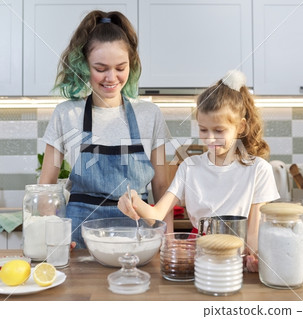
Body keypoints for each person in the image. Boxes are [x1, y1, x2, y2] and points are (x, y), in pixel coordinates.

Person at [118, 70, 280, 272]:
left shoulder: (259, 170)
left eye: (219, 131)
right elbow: (157, 215)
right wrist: (133, 199)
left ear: (240, 127)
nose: (210, 139)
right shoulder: (189, 167)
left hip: (237, 259)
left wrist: (255, 258)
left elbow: (254, 231)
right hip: (200, 256)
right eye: (203, 130)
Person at [39, 10, 172, 249]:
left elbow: (162, 189)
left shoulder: (150, 116)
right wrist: (53, 233)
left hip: (137, 240)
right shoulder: (66, 114)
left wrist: (169, 242)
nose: (112, 77)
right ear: (83, 65)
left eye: (120, 67)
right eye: (101, 68)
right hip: (78, 240)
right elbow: (46, 185)